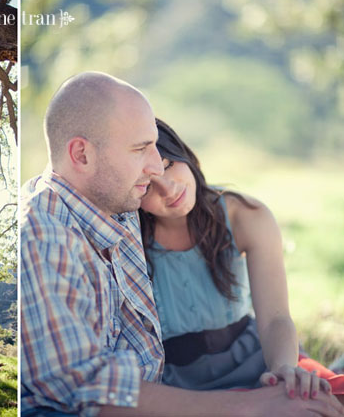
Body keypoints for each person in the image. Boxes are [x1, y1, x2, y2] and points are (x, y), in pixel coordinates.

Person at [20, 71, 344, 416]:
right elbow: (84, 389)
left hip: (226, 372)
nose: (155, 171)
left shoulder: (114, 199)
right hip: (176, 388)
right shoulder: (51, 235)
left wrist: (278, 378)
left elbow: (276, 317)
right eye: (140, 150)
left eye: (162, 156)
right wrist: (252, 406)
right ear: (82, 156)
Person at [138, 118, 344, 398]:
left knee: (325, 397)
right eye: (148, 186)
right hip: (179, 384)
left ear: (182, 154)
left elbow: (276, 319)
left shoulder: (245, 215)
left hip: (258, 360)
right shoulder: (127, 238)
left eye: (168, 165)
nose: (169, 188)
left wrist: (283, 369)